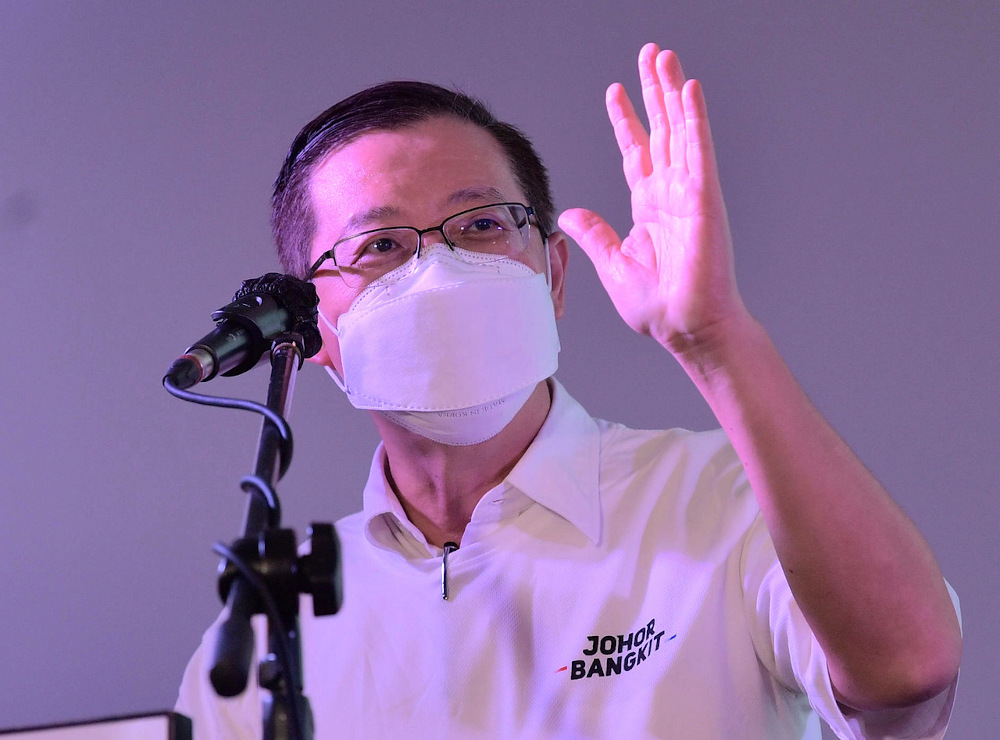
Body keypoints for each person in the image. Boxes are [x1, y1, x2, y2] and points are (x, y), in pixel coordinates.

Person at [176, 43, 962, 739]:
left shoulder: (723, 501)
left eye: (481, 226)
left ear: (553, 273)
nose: (440, 272)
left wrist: (718, 340)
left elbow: (909, 678)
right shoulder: (272, 626)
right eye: (381, 245)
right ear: (310, 329)